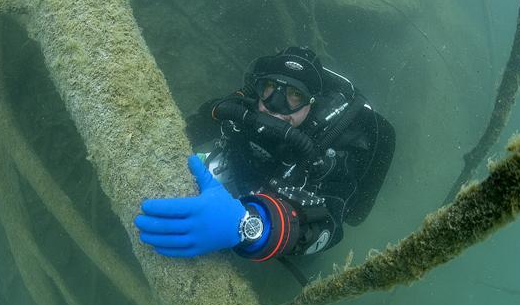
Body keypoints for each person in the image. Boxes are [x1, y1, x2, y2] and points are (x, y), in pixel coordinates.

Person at [134, 46, 395, 262]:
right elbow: (193, 127)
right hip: (238, 185)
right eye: (270, 89)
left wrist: (252, 226)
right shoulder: (243, 109)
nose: (276, 105)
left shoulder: (327, 147)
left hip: (288, 217)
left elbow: (331, 228)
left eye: (294, 96)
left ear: (311, 103)